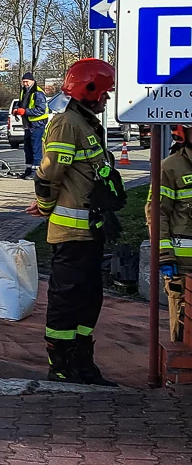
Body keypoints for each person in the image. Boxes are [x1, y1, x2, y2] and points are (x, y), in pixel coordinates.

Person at [26, 58, 124, 386]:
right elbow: (50, 173)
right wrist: (43, 206)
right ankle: (62, 365)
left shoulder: (85, 123)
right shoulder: (67, 123)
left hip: (91, 232)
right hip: (71, 234)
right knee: (66, 301)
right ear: (90, 89)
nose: (107, 99)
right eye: (105, 93)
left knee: (89, 298)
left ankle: (83, 363)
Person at [146, 124, 192, 342]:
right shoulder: (171, 167)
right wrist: (164, 255)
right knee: (184, 330)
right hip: (184, 267)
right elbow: (157, 213)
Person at [14, 72, 50, 179]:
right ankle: (28, 170)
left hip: (37, 125)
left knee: (36, 149)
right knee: (28, 149)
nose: (25, 84)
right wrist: (16, 109)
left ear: (32, 81)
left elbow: (40, 110)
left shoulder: (38, 93)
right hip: (28, 125)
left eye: (27, 82)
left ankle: (36, 172)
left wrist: (24, 111)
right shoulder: (24, 92)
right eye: (23, 81)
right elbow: (20, 103)